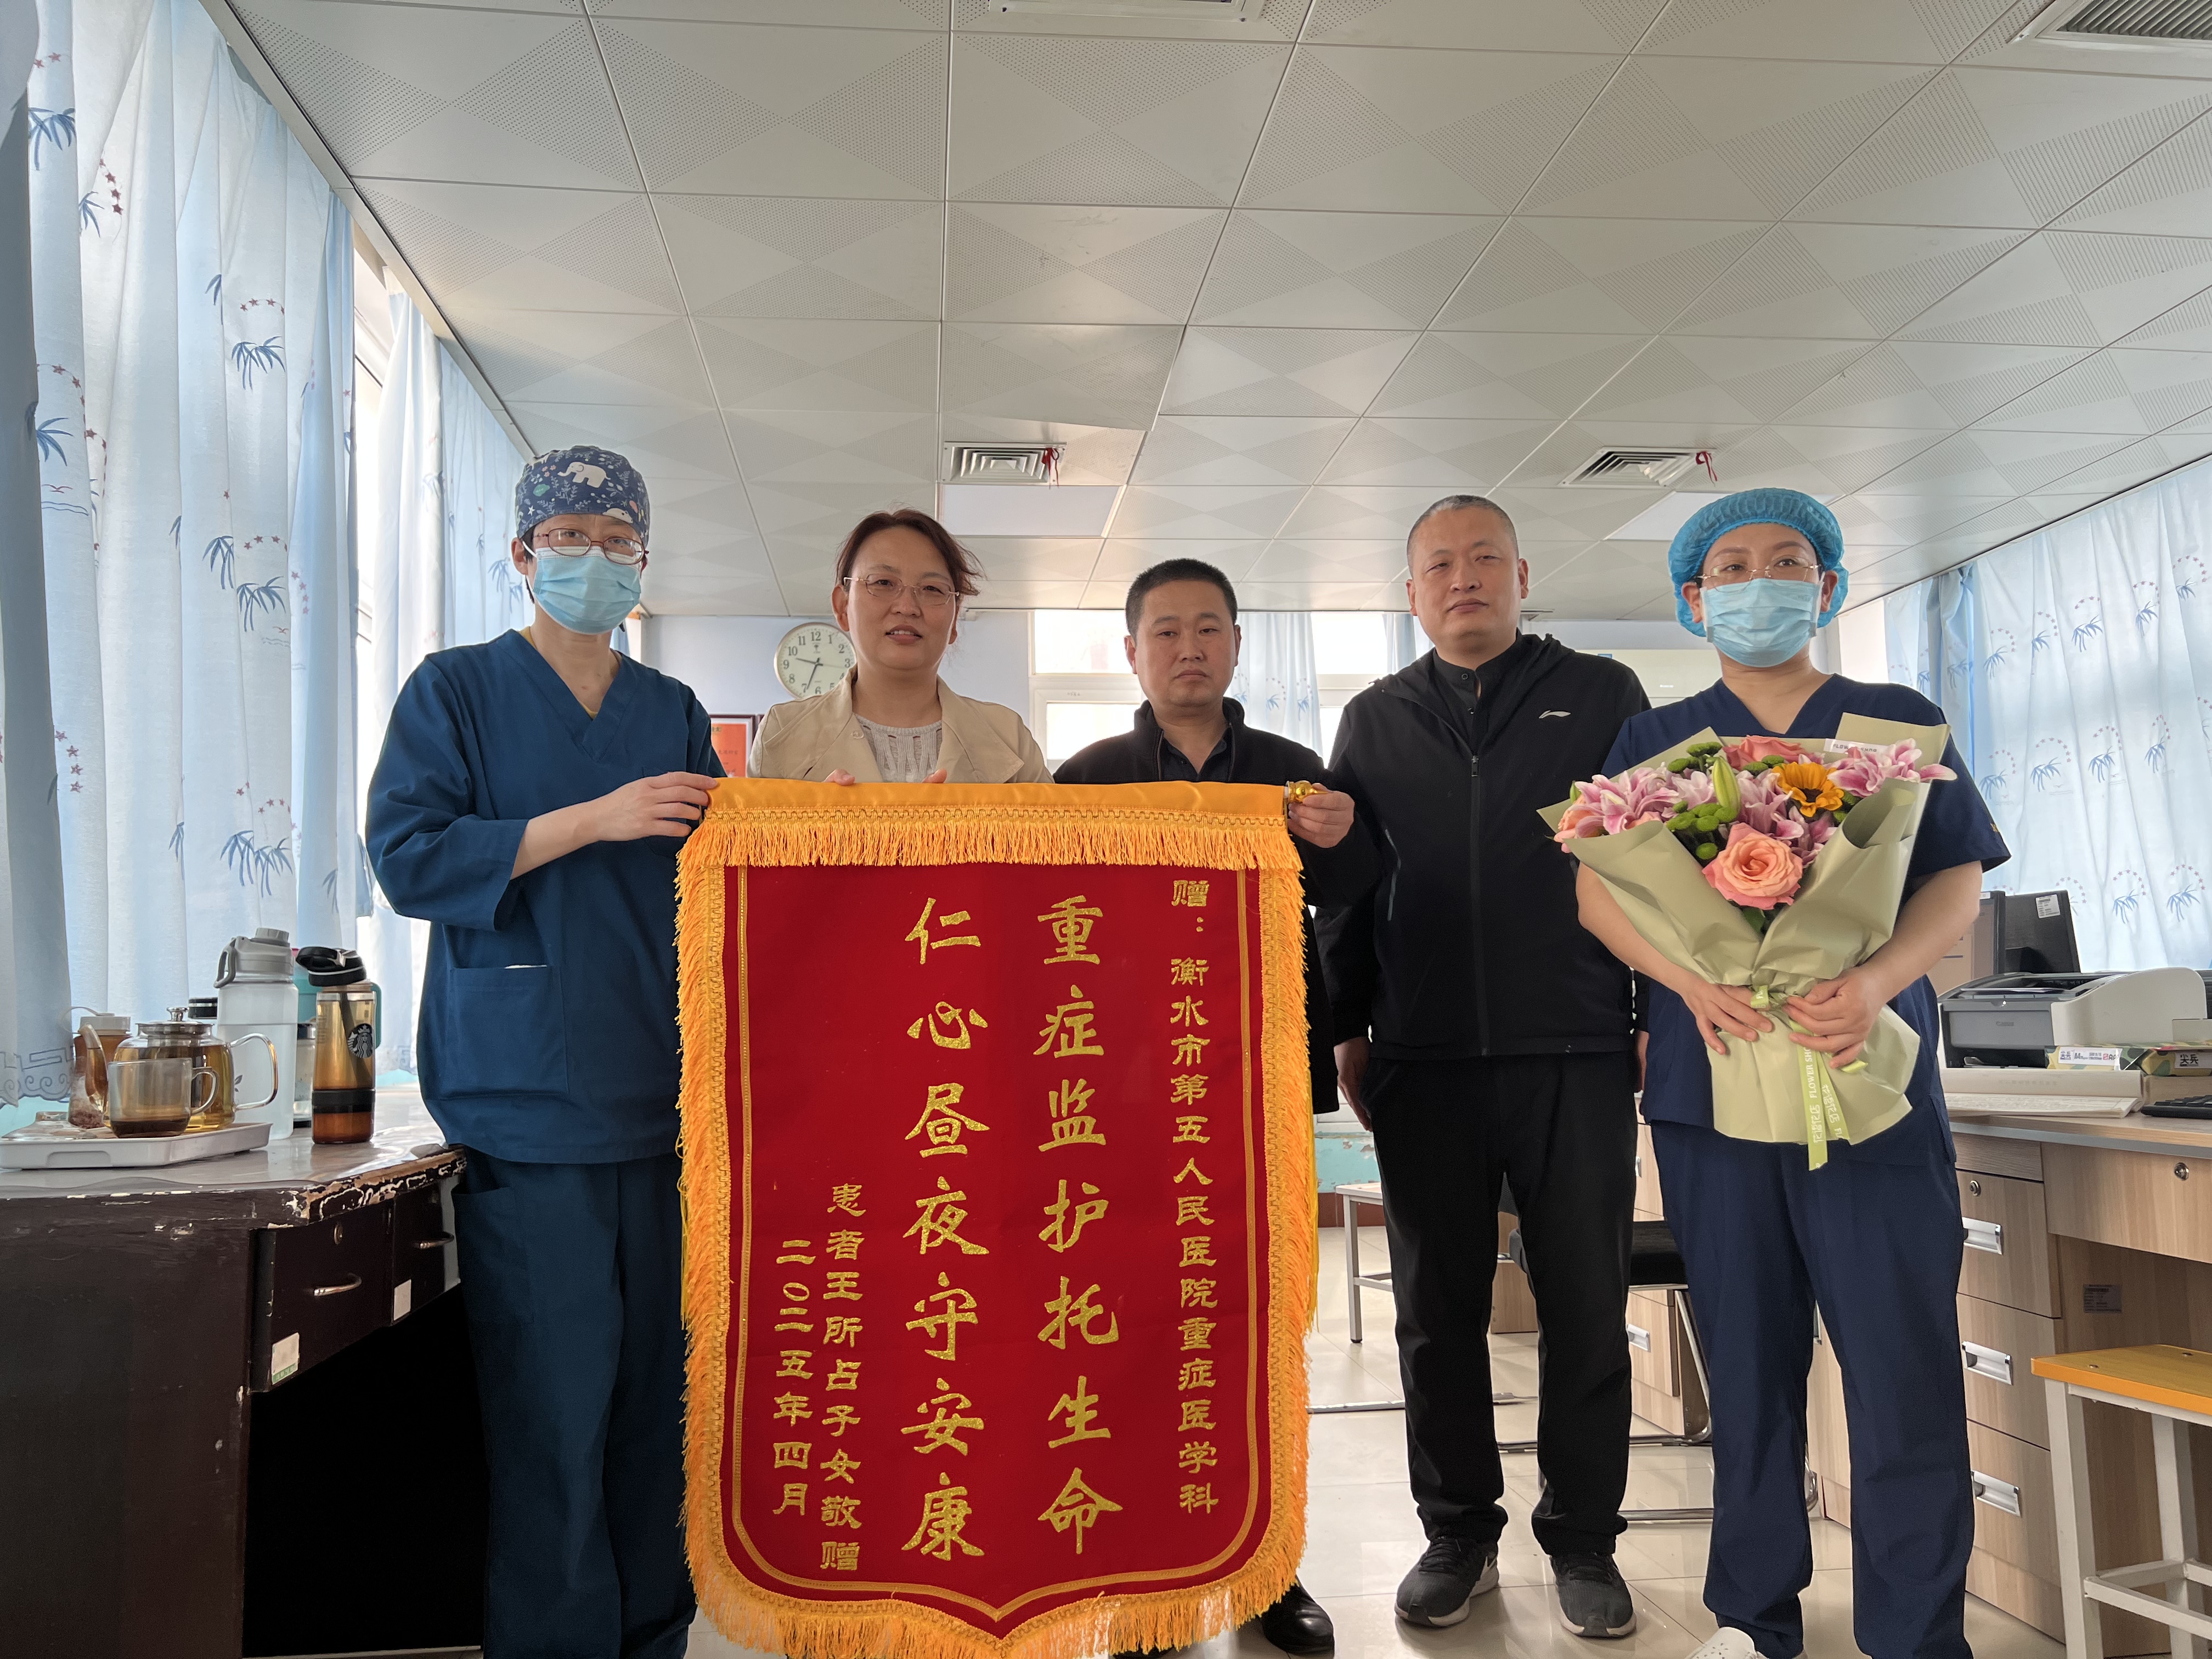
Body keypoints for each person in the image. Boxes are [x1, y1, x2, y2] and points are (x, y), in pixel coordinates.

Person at [1576, 488, 2004, 1659]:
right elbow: (1598, 891)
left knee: (1901, 1366)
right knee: (1750, 1369)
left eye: (1784, 562)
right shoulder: (1656, 740)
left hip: (1861, 1074)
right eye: (1730, 566)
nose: (1756, 582)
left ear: (1826, 588)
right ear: (1692, 597)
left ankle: (1917, 1635)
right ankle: (1752, 1618)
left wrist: (1875, 983)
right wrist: (1687, 981)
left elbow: (1954, 880)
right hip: (1715, 1078)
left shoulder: (1895, 724)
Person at [367, 445, 720, 1659]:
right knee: (554, 1414)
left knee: (658, 1409)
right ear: (523, 553)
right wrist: (592, 820)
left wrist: (812, 820)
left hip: (662, 1102)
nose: (596, 557)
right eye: (572, 536)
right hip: (527, 1103)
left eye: (620, 540)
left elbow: (723, 869)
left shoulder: (670, 710)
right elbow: (408, 858)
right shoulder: (455, 690)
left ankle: (651, 1636)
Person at [1318, 495, 1650, 1639]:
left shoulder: (1601, 693)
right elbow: (1347, 887)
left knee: (1586, 1307)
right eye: (1438, 565)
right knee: (1435, 1313)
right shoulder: (1373, 718)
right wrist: (1349, 1023)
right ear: (1411, 593)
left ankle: (1585, 1539)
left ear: (1521, 574)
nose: (1463, 578)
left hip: (1577, 1046)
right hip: (1425, 1057)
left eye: (1483, 559)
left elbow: (1655, 860)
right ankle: (1457, 1528)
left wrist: (1651, 1004)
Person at [1056, 557, 1379, 1658]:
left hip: (1259, 1091)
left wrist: (1343, 838)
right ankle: (1141, 1555)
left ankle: (1267, 1567)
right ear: (1131, 652)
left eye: (1209, 628)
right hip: (1124, 1101)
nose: (1187, 648)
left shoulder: (1296, 773)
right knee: (1134, 1322)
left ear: (1238, 646)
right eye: (1165, 631)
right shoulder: (1086, 777)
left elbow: (1352, 898)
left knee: (1260, 1325)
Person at [749, 507, 1050, 782]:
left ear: (955, 620)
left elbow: (1056, 828)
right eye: (882, 583)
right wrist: (813, 823)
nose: (907, 607)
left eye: (932, 589)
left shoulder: (1009, 737)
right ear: (842, 607)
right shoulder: (782, 733)